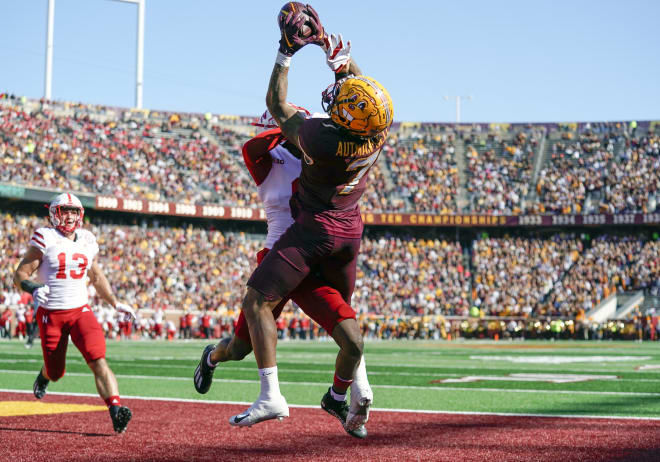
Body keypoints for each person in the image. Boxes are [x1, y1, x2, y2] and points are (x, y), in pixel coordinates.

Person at [227, 3, 392, 432]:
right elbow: (359, 97)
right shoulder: (375, 132)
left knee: (255, 301)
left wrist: (286, 52)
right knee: (347, 326)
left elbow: (278, 104)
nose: (332, 103)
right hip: (349, 229)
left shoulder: (318, 139)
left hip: (312, 232)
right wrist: (339, 62)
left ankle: (271, 396)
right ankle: (345, 395)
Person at [194, 103, 373, 438]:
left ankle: (344, 393)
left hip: (313, 262)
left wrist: (313, 132)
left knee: (351, 335)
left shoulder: (321, 156)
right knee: (238, 348)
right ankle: (212, 357)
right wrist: (295, 127)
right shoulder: (266, 158)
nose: (260, 132)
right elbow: (253, 147)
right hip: (280, 254)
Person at [13, 192, 136, 434]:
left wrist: (115, 303)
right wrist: (33, 287)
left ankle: (115, 409)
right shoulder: (45, 237)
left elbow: (96, 277)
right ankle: (44, 375)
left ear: (80, 215)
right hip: (52, 314)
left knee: (98, 359)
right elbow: (20, 275)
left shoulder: (87, 240)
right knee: (56, 371)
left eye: (73, 211)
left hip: (80, 310)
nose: (69, 216)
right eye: (64, 210)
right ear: (53, 213)